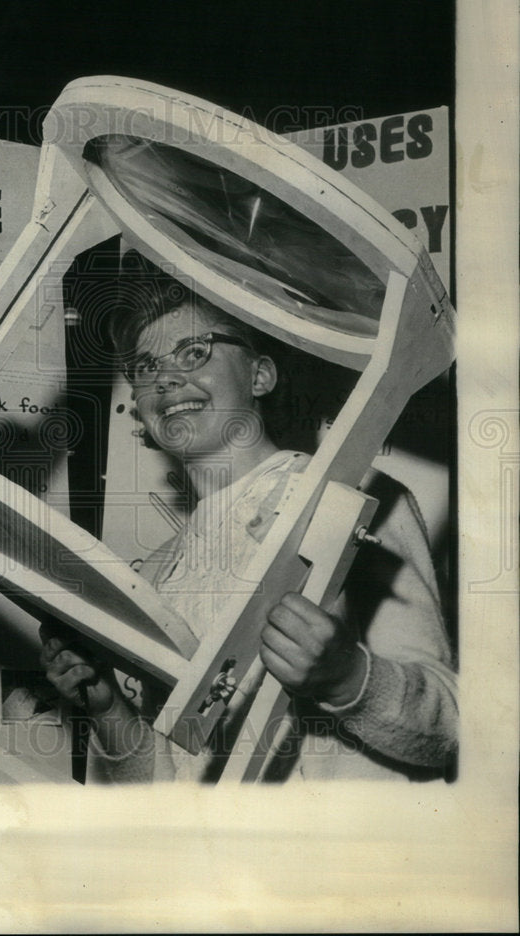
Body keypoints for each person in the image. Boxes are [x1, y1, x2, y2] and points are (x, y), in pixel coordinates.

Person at [40, 263, 458, 783]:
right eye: (145, 367)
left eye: (194, 352)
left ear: (259, 375)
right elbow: (166, 789)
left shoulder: (349, 493)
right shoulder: (153, 573)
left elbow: (451, 728)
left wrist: (347, 678)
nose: (165, 379)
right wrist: (108, 712)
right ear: (140, 414)